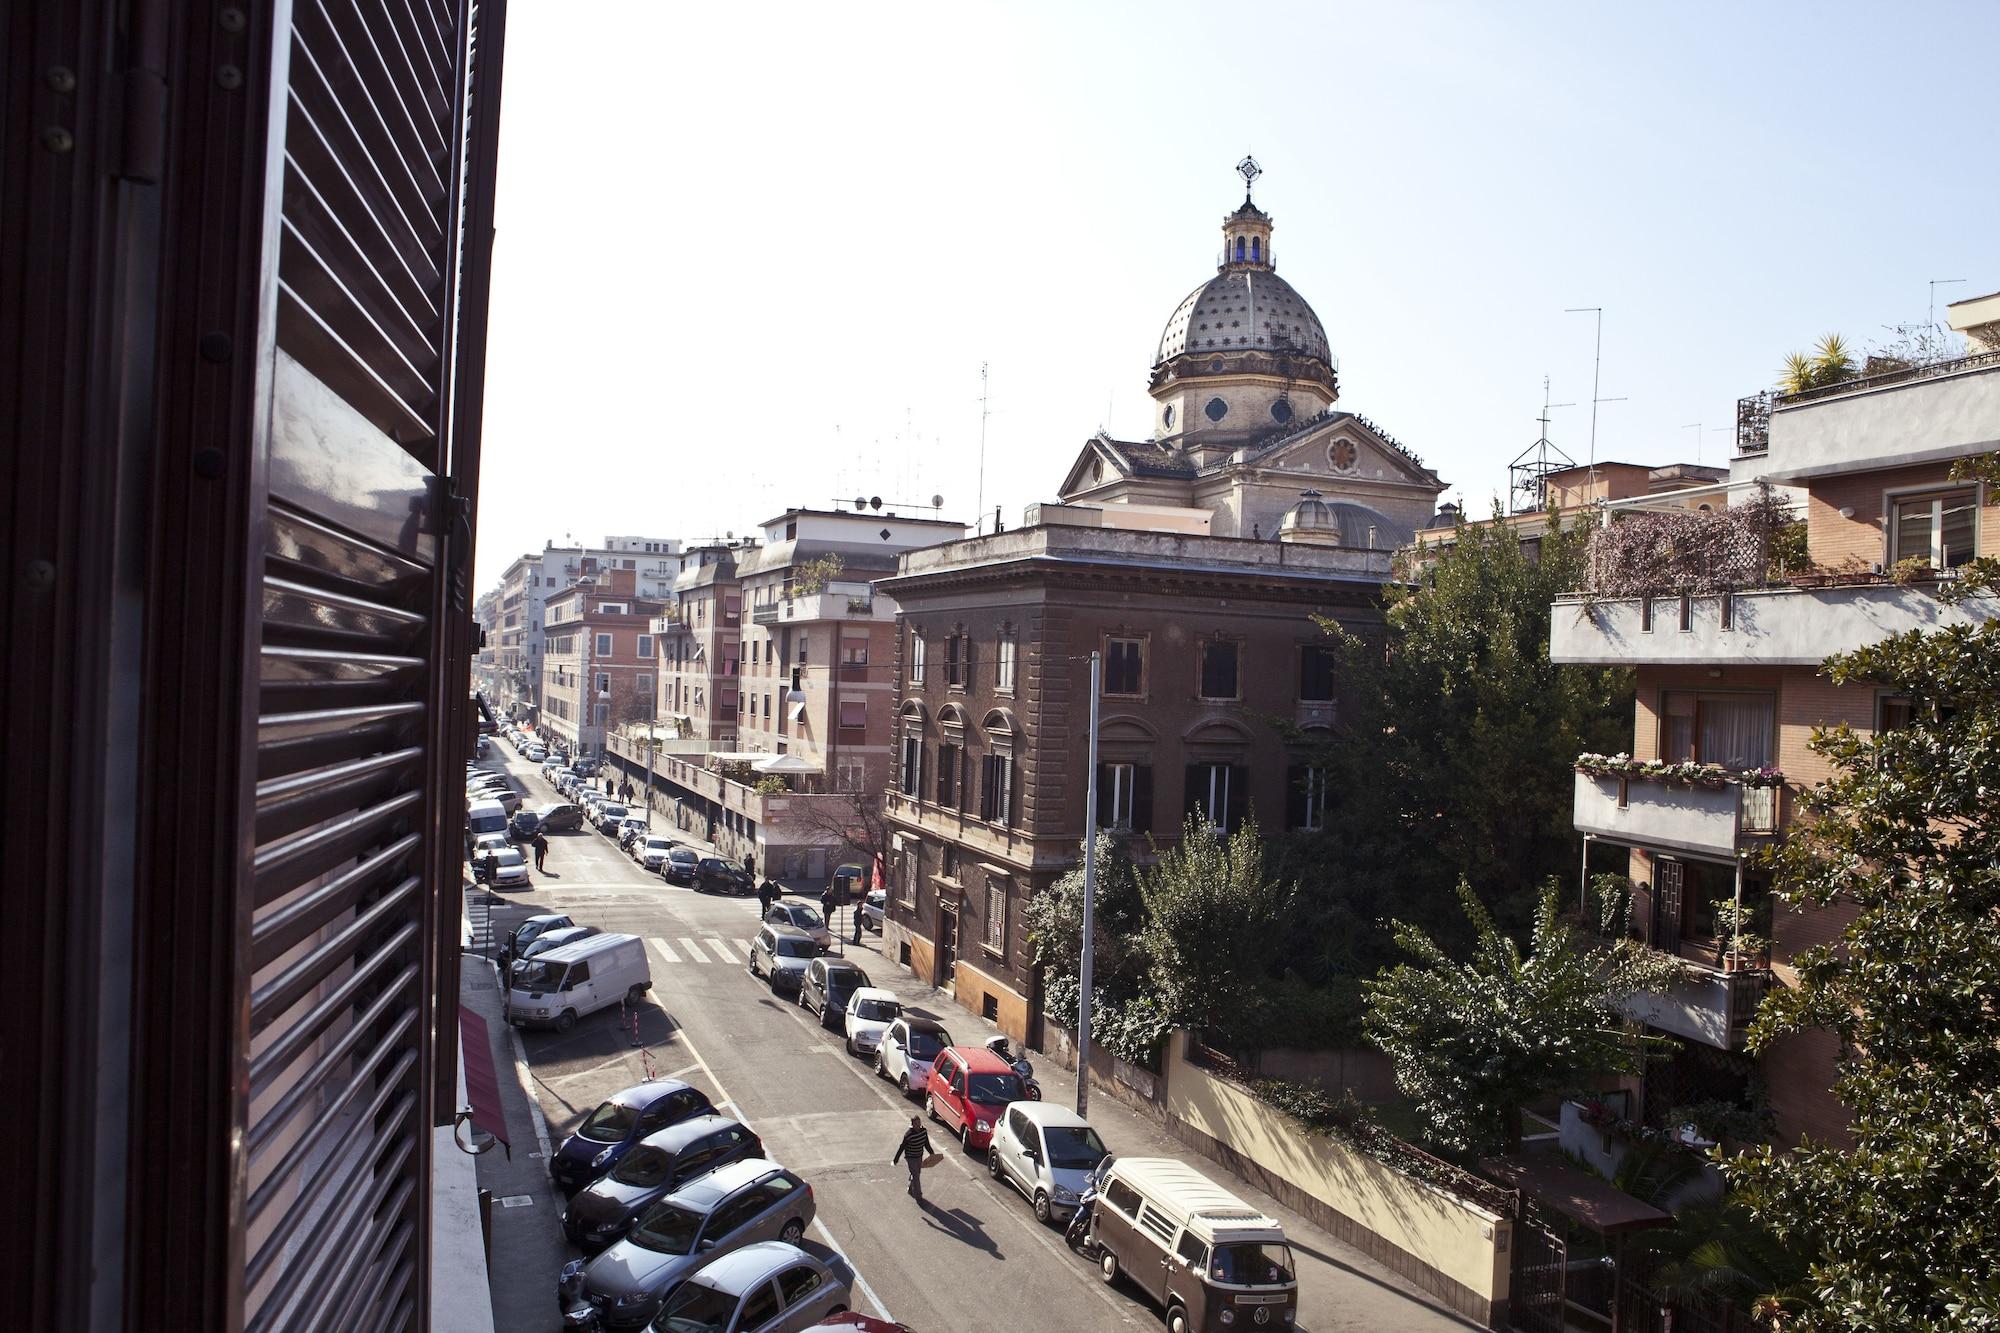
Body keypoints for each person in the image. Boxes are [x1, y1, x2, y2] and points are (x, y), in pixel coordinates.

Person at [891, 1114, 934, 1203]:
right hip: (910, 1158)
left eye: (919, 1123)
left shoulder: (924, 1131)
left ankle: (910, 1188)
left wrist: (932, 1153)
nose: (918, 1125)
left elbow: (926, 1144)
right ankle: (919, 1197)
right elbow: (902, 1147)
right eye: (916, 1124)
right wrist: (895, 1160)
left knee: (916, 1174)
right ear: (912, 1124)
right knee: (916, 1177)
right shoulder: (908, 1135)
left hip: (919, 1156)